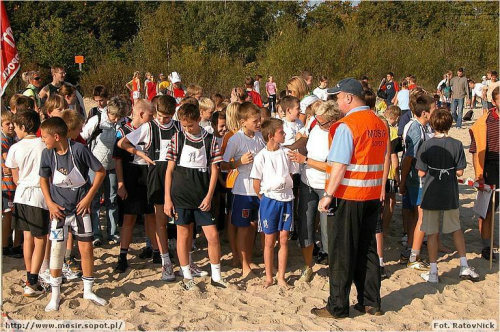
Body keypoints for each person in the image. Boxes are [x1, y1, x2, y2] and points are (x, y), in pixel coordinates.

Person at [313, 78, 387, 318]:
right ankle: (370, 302)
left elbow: (339, 165)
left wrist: (327, 195)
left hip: (349, 195)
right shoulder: (379, 123)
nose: (335, 101)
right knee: (367, 250)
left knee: (341, 251)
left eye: (337, 96)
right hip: (372, 194)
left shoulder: (347, 125)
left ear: (348, 97)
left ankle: (337, 307)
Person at [39, 117, 107, 312]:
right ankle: (55, 294)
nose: (43, 140)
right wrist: (50, 203)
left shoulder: (79, 150)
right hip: (58, 211)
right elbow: (43, 179)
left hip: (80, 209)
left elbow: (100, 172)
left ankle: (88, 290)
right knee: (56, 251)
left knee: (86, 250)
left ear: (56, 136)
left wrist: (88, 197)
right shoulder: (47, 154)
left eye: (45, 137)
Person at [164, 103, 228, 290]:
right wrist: (168, 199)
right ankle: (186, 276)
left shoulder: (210, 139)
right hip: (181, 195)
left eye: (190, 125)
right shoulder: (177, 138)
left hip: (202, 196)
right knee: (182, 235)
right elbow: (169, 170)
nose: (187, 129)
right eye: (184, 125)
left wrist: (209, 196)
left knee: (213, 235)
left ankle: (216, 276)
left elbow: (214, 169)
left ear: (199, 119)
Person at [416, 108, 479, 283]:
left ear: (432, 124)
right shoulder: (457, 144)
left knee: (432, 232)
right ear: (450, 124)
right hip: (449, 192)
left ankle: (434, 270)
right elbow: (459, 172)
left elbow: (421, 173)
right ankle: (464, 264)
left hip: (431, 192)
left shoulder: (427, 145)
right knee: (456, 228)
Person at [118, 96, 178, 279]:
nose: (162, 120)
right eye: (159, 115)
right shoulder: (148, 127)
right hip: (151, 173)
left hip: (175, 173)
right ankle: (163, 259)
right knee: (153, 217)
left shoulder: (178, 127)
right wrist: (142, 155)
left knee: (176, 219)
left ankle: (178, 258)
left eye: (167, 117)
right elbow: (122, 144)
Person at [287, 101, 343, 281]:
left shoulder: (338, 133)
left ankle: (332, 265)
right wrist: (292, 147)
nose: (319, 124)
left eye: (323, 122)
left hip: (327, 187)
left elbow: (333, 166)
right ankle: (307, 266)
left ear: (333, 120)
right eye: (317, 120)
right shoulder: (314, 124)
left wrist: (305, 160)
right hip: (307, 183)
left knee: (329, 230)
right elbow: (305, 136)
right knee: (306, 224)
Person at [250, 118, 297, 288]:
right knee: (269, 241)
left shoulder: (286, 153)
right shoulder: (261, 156)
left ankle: (281, 277)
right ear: (271, 136)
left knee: (284, 239)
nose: (284, 135)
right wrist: (266, 198)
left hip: (286, 199)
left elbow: (291, 175)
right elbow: (256, 184)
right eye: (281, 132)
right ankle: (269, 276)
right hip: (270, 201)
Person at [6, 110, 48, 296]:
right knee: (41, 239)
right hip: (38, 195)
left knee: (28, 238)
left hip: (21, 194)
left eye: (16, 127)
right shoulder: (44, 145)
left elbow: (15, 177)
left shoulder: (16, 147)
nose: (15, 131)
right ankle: (32, 280)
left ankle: (30, 276)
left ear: (23, 127)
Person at [222, 102, 265, 278]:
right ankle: (243, 264)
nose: (259, 123)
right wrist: (238, 162)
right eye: (255, 120)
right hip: (242, 190)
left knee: (254, 225)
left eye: (259, 119)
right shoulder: (235, 139)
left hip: (259, 189)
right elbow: (223, 164)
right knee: (243, 227)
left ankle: (247, 259)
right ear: (243, 121)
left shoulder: (259, 136)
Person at [114, 100, 158, 266]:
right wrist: (120, 184)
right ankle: (123, 255)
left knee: (150, 215)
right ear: (141, 114)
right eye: (150, 115)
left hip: (148, 174)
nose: (152, 118)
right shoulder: (123, 131)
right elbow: (117, 160)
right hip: (131, 175)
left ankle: (155, 251)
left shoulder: (151, 129)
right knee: (129, 217)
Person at [400, 95, 436, 270]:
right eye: (434, 108)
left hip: (415, 178)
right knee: (422, 216)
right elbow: (408, 158)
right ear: (425, 113)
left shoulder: (420, 127)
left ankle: (410, 248)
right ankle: (414, 256)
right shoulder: (415, 128)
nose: (436, 111)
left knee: (416, 215)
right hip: (417, 179)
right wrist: (403, 180)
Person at [469, 86, 499, 261]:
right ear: (494, 102)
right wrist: (478, 173)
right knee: (487, 210)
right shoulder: (485, 122)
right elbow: (475, 150)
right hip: (490, 166)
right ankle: (487, 246)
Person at [1, 111, 21, 258]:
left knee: (14, 214)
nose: (11, 126)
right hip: (6, 184)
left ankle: (14, 244)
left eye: (12, 124)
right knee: (8, 214)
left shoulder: (12, 139)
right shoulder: (3, 141)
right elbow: (8, 163)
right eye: (8, 124)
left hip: (13, 182)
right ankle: (5, 246)